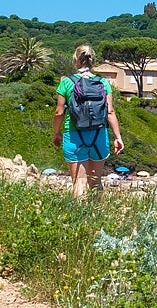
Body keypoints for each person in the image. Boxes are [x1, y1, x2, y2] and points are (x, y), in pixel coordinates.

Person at [53, 45, 124, 197]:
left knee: (79, 182)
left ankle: (79, 219)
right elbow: (110, 111)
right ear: (93, 61)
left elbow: (59, 112)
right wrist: (118, 137)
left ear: (75, 60)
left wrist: (56, 133)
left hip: (74, 135)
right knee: (96, 181)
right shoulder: (103, 83)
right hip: (99, 135)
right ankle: (97, 219)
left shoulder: (66, 82)